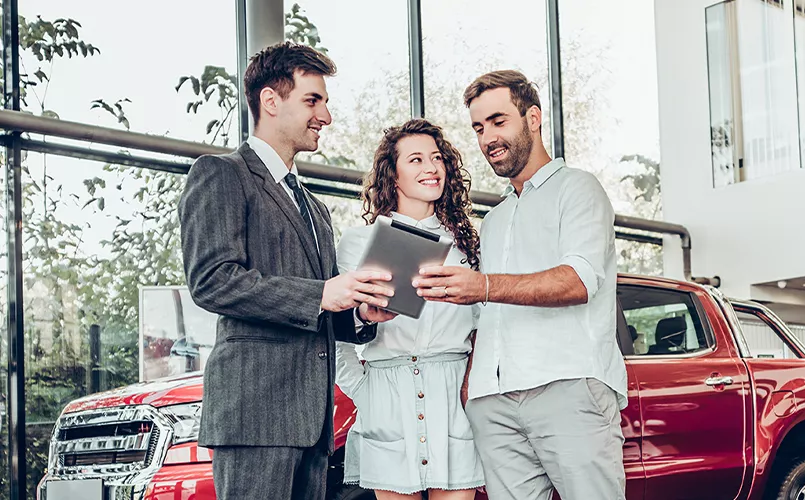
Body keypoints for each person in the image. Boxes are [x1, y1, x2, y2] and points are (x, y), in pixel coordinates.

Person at [179, 41, 397, 500]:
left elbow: (324, 306)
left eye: (325, 103)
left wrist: (359, 316)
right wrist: (320, 294)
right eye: (312, 101)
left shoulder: (314, 207)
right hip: (255, 417)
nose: (326, 116)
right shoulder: (221, 174)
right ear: (271, 101)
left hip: (312, 422)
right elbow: (212, 280)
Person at [412, 69, 628, 500]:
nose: (488, 137)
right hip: (493, 403)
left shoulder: (579, 189)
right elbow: (480, 313)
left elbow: (577, 282)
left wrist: (484, 286)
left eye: (498, 120)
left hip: (569, 387)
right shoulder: (493, 220)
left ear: (533, 118)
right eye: (478, 127)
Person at [334, 119, 486, 499]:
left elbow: (486, 329)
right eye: (416, 159)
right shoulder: (357, 244)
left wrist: (470, 386)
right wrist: (365, 391)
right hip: (386, 394)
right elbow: (337, 335)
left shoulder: (467, 247)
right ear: (393, 175)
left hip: (453, 397)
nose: (431, 168)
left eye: (437, 158)